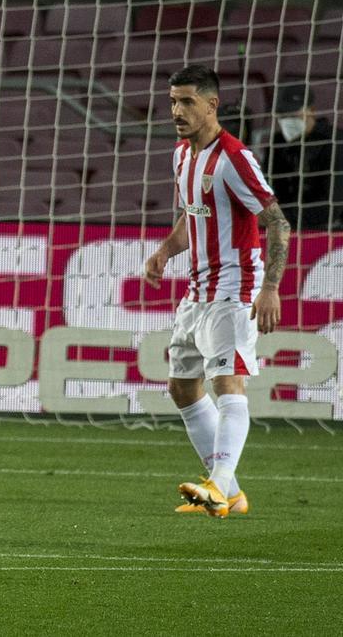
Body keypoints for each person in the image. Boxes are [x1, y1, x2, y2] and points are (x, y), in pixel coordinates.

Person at [142, 64, 290, 518]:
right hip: (197, 291)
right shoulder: (183, 156)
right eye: (172, 101)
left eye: (187, 101)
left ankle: (218, 486)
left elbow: (278, 223)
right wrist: (165, 252)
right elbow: (193, 215)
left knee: (228, 384)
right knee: (183, 388)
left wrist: (270, 288)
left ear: (211, 104)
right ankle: (234, 492)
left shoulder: (235, 158)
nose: (177, 111)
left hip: (235, 288)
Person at [263, 81, 338, 231]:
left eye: (293, 114)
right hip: (284, 229)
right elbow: (270, 189)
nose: (287, 120)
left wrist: (280, 218)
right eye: (283, 115)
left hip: (327, 232)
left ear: (311, 110)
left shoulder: (336, 142)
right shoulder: (278, 144)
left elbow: (333, 205)